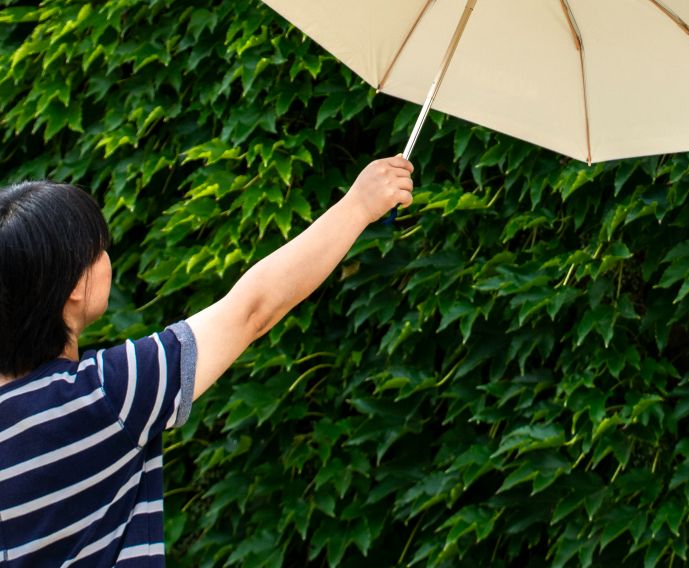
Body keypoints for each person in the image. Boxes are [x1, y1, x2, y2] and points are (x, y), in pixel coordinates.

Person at [0, 156, 414, 566]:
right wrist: (359, 205)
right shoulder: (106, 395)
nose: (106, 256)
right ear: (73, 286)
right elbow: (252, 310)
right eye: (98, 249)